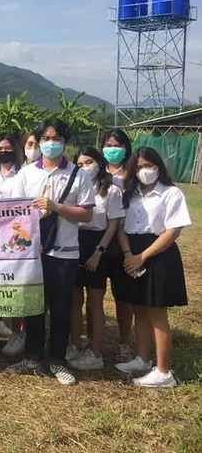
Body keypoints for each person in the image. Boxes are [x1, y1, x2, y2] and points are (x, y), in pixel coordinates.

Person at [6, 120, 95, 386]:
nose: (50, 143)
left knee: (61, 308)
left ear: (65, 142)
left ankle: (57, 360)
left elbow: (86, 214)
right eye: (45, 138)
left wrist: (56, 207)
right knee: (34, 306)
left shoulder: (78, 175)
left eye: (56, 138)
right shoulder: (26, 174)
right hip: (34, 252)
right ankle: (33, 357)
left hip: (65, 253)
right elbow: (15, 212)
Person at [115, 147, 190, 388]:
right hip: (132, 252)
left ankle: (163, 371)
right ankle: (143, 359)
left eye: (149, 165)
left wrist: (143, 256)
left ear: (158, 166)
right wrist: (129, 255)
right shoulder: (130, 194)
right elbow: (121, 227)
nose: (144, 171)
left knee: (157, 312)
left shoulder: (171, 193)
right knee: (139, 308)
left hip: (158, 254)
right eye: (139, 167)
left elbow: (173, 231)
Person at [67, 147, 125, 372]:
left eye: (89, 162)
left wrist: (98, 252)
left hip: (97, 245)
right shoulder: (74, 187)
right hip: (74, 241)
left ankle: (96, 353)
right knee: (74, 301)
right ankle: (74, 344)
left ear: (99, 163)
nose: (85, 167)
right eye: (80, 164)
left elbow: (113, 225)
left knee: (95, 301)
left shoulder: (111, 190)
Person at [0, 132, 25, 351]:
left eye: (7, 148)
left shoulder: (22, 174)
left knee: (15, 285)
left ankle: (17, 332)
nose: (3, 151)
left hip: (14, 237)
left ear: (15, 150)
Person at [101, 128, 134, 363]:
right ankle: (93, 339)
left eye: (117, 145)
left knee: (122, 296)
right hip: (98, 239)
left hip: (122, 241)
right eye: (108, 145)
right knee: (95, 295)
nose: (112, 149)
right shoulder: (95, 171)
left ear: (126, 148)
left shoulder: (133, 173)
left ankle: (124, 343)